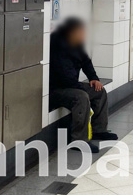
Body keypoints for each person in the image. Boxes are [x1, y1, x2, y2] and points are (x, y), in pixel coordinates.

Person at [49, 17, 118, 153]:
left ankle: (99, 129)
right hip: (56, 89)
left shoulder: (76, 43)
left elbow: (86, 61)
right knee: (81, 96)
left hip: (71, 85)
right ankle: (79, 140)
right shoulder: (57, 47)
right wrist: (82, 89)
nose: (84, 35)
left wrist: (94, 78)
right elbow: (65, 77)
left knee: (99, 90)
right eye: (81, 32)